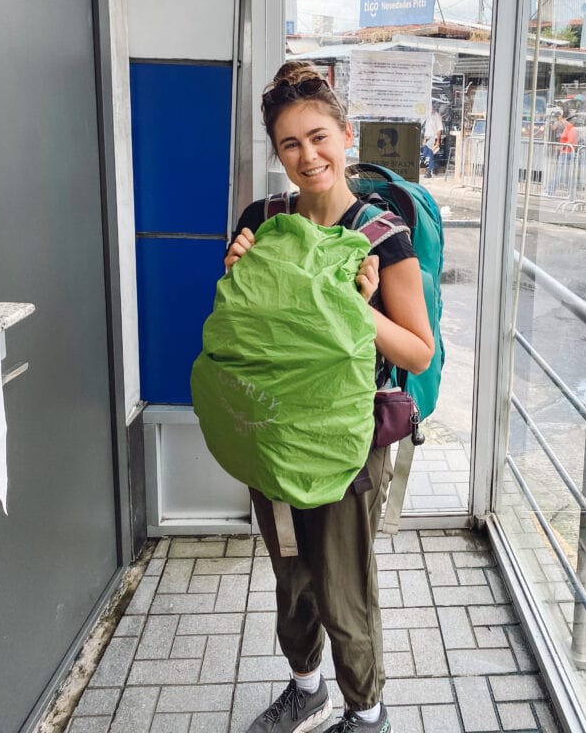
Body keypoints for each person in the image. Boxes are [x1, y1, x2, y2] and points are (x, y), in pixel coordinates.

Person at [225, 61, 434, 733]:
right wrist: (234, 279)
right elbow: (246, 328)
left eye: (318, 137)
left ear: (347, 136)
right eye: (290, 144)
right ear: (278, 153)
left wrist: (355, 308)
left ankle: (367, 713)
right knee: (293, 579)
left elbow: (417, 350)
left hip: (348, 440)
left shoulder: (380, 234)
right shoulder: (263, 219)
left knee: (343, 589)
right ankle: (306, 688)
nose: (307, 156)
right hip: (275, 428)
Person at [420, 105, 443, 179]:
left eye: (432, 107)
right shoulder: (427, 116)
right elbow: (426, 129)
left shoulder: (437, 116)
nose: (431, 109)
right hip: (427, 138)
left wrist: (438, 141)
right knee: (427, 155)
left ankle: (429, 172)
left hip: (433, 138)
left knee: (429, 156)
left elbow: (439, 129)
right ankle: (435, 168)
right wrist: (424, 139)